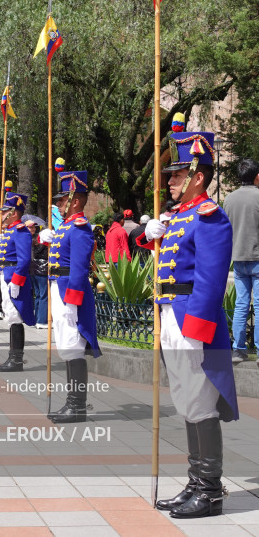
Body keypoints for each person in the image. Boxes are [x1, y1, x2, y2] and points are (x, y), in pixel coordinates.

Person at [137, 127, 238, 518]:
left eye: (178, 175)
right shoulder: (180, 216)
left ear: (198, 176)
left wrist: (195, 330)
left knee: (199, 403)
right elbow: (165, 254)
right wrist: (148, 235)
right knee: (187, 402)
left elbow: (211, 282)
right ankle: (196, 483)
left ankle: (210, 490)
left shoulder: (210, 217)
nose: (171, 181)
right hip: (170, 315)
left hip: (191, 321)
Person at [39, 168, 100, 424]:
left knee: (72, 347)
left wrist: (73, 302)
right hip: (58, 287)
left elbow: (78, 268)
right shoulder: (65, 227)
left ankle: (76, 407)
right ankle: (72, 404)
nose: (59, 204)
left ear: (75, 200)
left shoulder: (80, 228)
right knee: (65, 345)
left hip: (69, 292)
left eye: (62, 200)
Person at [0, 193, 36, 372]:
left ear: (14, 213)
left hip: (14, 278)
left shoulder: (21, 231)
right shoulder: (9, 231)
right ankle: (13, 357)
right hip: (6, 275)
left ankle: (16, 360)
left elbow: (24, 259)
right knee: (10, 316)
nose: (1, 215)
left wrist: (17, 281)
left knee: (15, 317)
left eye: (5, 212)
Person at [222, 158, 259, 363]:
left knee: (241, 303)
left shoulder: (229, 199)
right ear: (257, 176)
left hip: (238, 257)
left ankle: (238, 349)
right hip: (257, 256)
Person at [27, 220, 49, 329]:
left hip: (33, 269)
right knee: (43, 295)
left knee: (39, 295)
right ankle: (42, 320)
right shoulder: (44, 242)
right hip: (42, 270)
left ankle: (37, 319)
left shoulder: (34, 240)